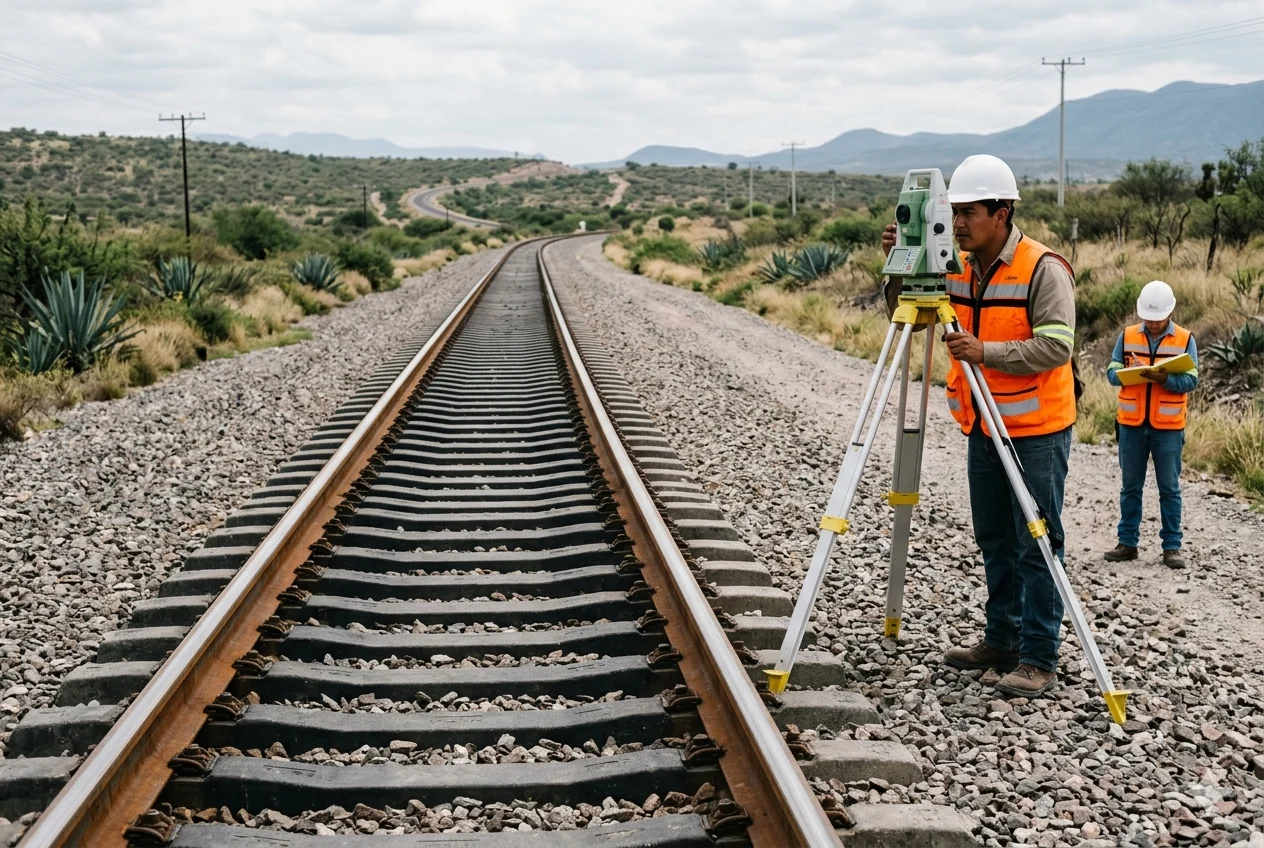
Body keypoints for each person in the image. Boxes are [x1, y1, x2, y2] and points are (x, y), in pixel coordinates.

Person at [882, 154, 1078, 698]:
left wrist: (985, 351)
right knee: (994, 539)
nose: (958, 224)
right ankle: (1001, 641)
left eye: (968, 213)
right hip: (984, 427)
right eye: (954, 213)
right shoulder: (957, 264)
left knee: (1036, 543)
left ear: (1002, 211)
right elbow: (907, 311)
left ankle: (1039, 657)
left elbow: (1058, 347)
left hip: (1036, 429)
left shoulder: (1043, 268)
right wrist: (903, 266)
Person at [1102, 281, 1198, 569]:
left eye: (1158, 319)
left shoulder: (1184, 339)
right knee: (1130, 487)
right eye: (1148, 318)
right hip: (1130, 425)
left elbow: (1192, 380)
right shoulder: (1128, 335)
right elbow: (1111, 370)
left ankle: (1172, 547)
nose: (1153, 324)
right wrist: (1127, 374)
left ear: (1169, 313)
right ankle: (1127, 543)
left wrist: (1164, 379)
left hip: (1168, 428)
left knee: (1169, 489)